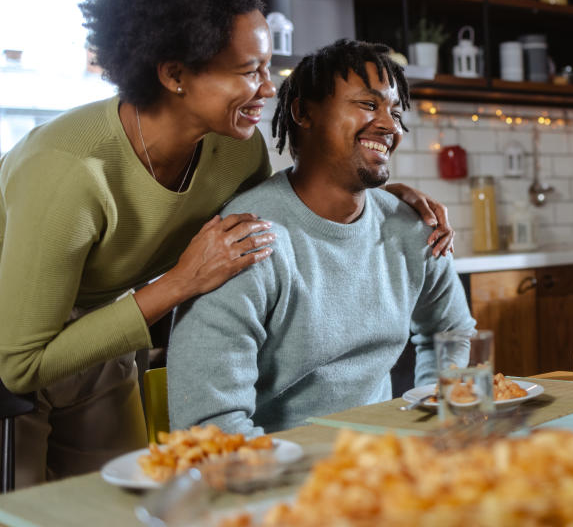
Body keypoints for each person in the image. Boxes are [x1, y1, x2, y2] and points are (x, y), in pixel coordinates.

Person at [0, 0, 453, 485]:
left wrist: (385, 190)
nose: (268, 89)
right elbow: (20, 364)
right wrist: (177, 285)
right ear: (174, 75)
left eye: (267, 68)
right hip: (14, 350)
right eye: (248, 71)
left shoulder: (235, 152)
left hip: (108, 333)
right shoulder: (69, 171)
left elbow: (292, 202)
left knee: (112, 507)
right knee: (24, 505)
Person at [166, 39, 475, 435]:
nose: (389, 125)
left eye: (395, 112)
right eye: (368, 104)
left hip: (385, 461)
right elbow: (210, 428)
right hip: (281, 471)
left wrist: (436, 414)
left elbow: (452, 331)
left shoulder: (411, 225)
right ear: (303, 113)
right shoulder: (241, 243)